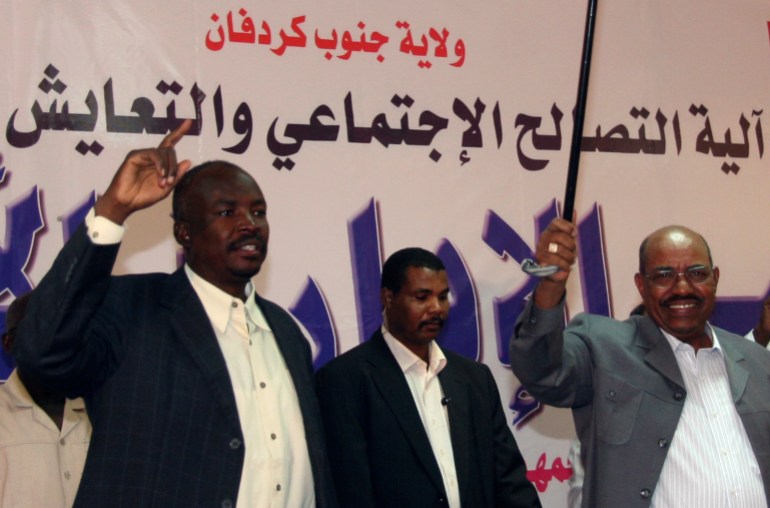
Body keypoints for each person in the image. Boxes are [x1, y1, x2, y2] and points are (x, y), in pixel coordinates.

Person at [13, 120, 336, 508]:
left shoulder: (285, 330)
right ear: (184, 233)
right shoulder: (132, 307)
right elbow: (42, 353)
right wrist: (113, 210)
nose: (248, 224)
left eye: (258, 212)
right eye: (226, 212)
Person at [510, 218, 770, 507]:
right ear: (641, 285)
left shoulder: (759, 362)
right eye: (663, 275)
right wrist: (550, 285)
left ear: (715, 278)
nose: (682, 287)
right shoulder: (603, 347)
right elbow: (542, 370)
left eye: (697, 273)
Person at [316, 247, 541, 508]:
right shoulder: (345, 380)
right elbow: (352, 492)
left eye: (443, 297)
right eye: (422, 297)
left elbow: (509, 480)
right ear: (388, 298)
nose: (436, 309)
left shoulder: (474, 378)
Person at [0, 292, 92, 508]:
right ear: (9, 343)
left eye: (63, 331)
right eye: (38, 331)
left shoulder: (101, 411)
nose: (52, 344)